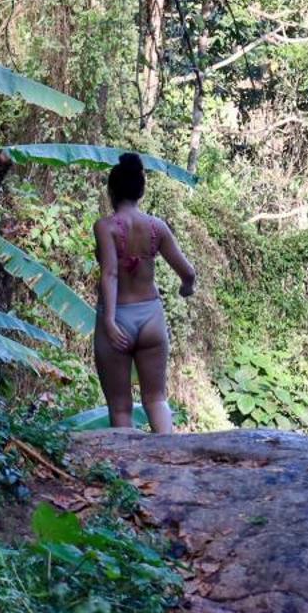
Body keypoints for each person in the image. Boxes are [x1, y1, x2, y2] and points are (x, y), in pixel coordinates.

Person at [94, 152, 195, 432]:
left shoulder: (106, 227)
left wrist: (111, 321)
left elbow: (111, 273)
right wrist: (186, 288)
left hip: (119, 318)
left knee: (121, 406)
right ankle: (171, 462)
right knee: (156, 399)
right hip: (151, 316)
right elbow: (188, 272)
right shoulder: (157, 227)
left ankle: (128, 473)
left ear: (111, 190)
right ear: (141, 191)